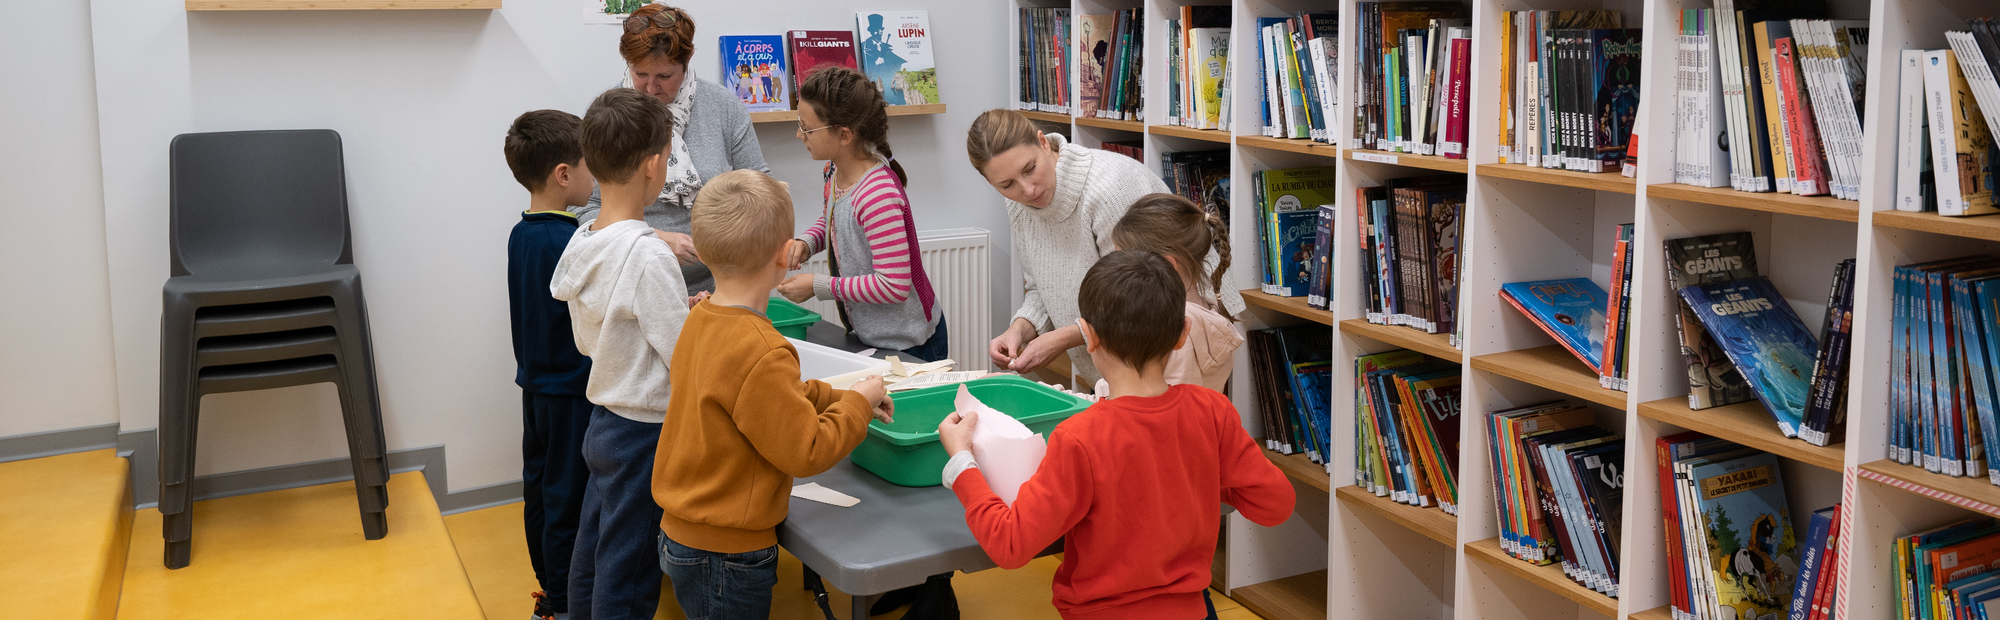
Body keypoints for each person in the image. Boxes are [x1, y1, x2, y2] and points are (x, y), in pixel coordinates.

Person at [935, 250, 1295, 619]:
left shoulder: (1079, 437)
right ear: (1182, 334)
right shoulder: (1213, 411)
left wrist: (962, 462)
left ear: (1087, 337)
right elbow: (1275, 504)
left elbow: (1009, 544)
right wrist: (1198, 478)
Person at [654, 169, 894, 619]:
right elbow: (807, 450)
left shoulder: (699, 318)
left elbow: (767, 398)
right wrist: (858, 405)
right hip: (726, 551)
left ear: (702, 251)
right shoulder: (762, 348)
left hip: (683, 531)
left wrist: (837, 398)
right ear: (787, 257)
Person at [553, 88, 699, 620]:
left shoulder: (584, 239)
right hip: (646, 432)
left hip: (605, 419)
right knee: (632, 568)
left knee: (595, 549)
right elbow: (684, 356)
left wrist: (677, 307)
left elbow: (599, 333)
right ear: (655, 165)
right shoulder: (648, 254)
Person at [965, 109, 1244, 386]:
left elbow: (1141, 298)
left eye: (1030, 169)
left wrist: (1062, 338)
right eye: (1007, 184)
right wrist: (1020, 329)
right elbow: (1042, 285)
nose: (1027, 190)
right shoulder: (1018, 205)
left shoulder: (1110, 189)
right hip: (1118, 357)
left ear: (1043, 142)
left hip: (1179, 340)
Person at [575, 4, 771, 295]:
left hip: (719, 286)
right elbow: (583, 207)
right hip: (634, 284)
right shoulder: (611, 113)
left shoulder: (722, 106)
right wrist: (654, 239)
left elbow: (761, 189)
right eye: (639, 73)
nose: (651, 89)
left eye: (665, 76)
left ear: (688, 59)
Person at [777, 66, 946, 363]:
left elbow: (893, 285)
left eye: (806, 127)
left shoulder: (877, 195)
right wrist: (807, 242)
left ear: (843, 135)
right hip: (874, 337)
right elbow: (833, 221)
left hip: (909, 345)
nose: (798, 134)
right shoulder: (834, 170)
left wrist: (819, 286)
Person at [503, 109, 597, 620]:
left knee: (539, 488)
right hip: (570, 393)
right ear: (564, 174)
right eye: (590, 166)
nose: (596, 176)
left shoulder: (523, 234)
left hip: (535, 388)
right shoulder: (570, 244)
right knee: (567, 498)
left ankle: (549, 586)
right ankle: (563, 602)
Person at [1103, 193, 1243, 394]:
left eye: (1126, 266)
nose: (1119, 275)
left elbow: (1162, 410)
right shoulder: (1204, 311)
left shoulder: (1175, 328)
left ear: (1167, 266)